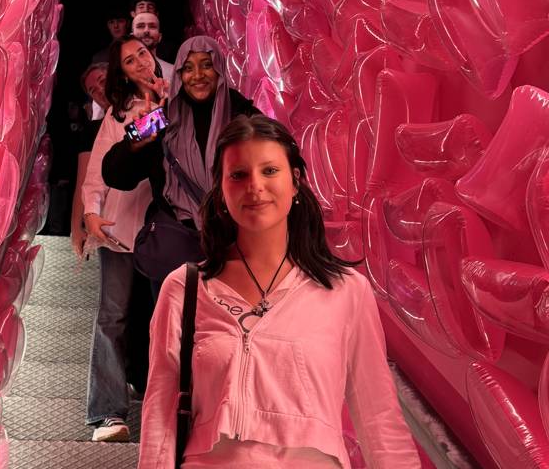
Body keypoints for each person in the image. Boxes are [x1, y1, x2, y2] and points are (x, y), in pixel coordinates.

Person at [139, 115, 421, 468]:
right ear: (221, 190)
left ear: (295, 182)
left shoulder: (346, 291)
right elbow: (159, 418)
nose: (254, 186)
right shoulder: (183, 289)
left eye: (270, 171)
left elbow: (379, 420)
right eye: (238, 175)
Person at [102, 36, 259, 288]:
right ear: (178, 74)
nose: (198, 75)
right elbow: (112, 173)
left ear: (219, 69)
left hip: (233, 248)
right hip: (177, 252)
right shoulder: (160, 117)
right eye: (188, 68)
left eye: (207, 64)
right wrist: (134, 141)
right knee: (173, 325)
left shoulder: (242, 114)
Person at [81, 36, 166, 442]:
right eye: (129, 61)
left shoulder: (179, 97)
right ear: (122, 71)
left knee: (160, 320)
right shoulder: (118, 114)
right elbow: (99, 167)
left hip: (163, 230)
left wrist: (167, 106)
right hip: (117, 229)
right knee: (112, 317)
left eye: (142, 55)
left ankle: (159, 407)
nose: (138, 63)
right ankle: (106, 414)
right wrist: (91, 213)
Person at [70, 62, 109, 257]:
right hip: (111, 228)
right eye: (93, 90)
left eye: (103, 81)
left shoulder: (146, 113)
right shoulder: (91, 132)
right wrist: (76, 228)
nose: (100, 90)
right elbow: (83, 182)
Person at [132, 11, 174, 83]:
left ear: (160, 37)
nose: (146, 31)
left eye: (152, 26)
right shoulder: (121, 70)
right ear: (131, 36)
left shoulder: (172, 71)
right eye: (140, 26)